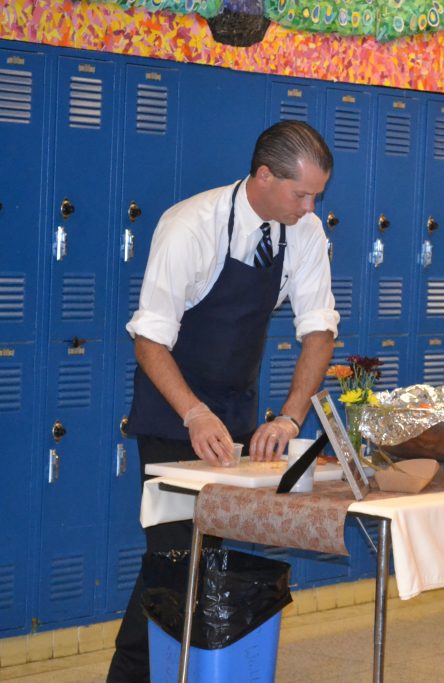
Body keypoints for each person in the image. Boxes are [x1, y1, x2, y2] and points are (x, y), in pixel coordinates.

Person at [107, 120, 340, 681]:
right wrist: (193, 411)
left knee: (210, 559)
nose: (310, 208)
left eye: (317, 196)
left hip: (235, 411)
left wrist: (289, 416)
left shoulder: (304, 233)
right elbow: (150, 337)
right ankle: (136, 674)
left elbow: (320, 331)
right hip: (173, 411)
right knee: (174, 558)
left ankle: (195, 669)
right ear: (264, 176)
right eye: (301, 193)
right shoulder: (191, 225)